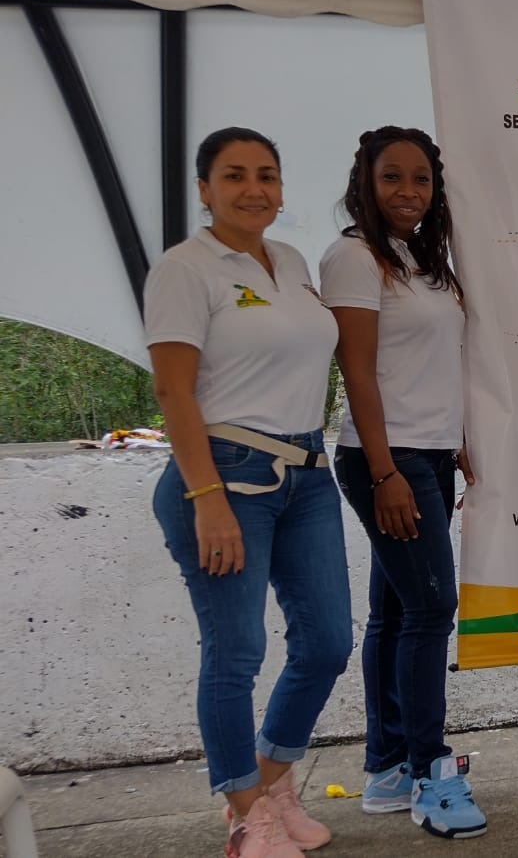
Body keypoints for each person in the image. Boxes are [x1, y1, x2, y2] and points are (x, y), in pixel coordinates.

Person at [147, 127, 351, 858]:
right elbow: (172, 388)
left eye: (267, 174)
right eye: (233, 175)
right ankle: (244, 815)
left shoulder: (290, 261)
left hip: (307, 472)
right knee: (235, 650)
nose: (253, 188)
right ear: (205, 189)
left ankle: (269, 782)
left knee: (327, 642)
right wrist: (206, 496)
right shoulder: (185, 268)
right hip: (225, 474)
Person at [319, 126, 486, 840]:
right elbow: (356, 371)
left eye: (420, 179)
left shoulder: (426, 259)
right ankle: (430, 772)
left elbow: (437, 361)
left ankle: (386, 767)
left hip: (430, 455)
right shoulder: (353, 258)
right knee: (429, 609)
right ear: (366, 179)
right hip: (386, 459)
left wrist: (459, 440)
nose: (408, 192)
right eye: (393, 177)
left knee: (393, 615)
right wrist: (384, 470)